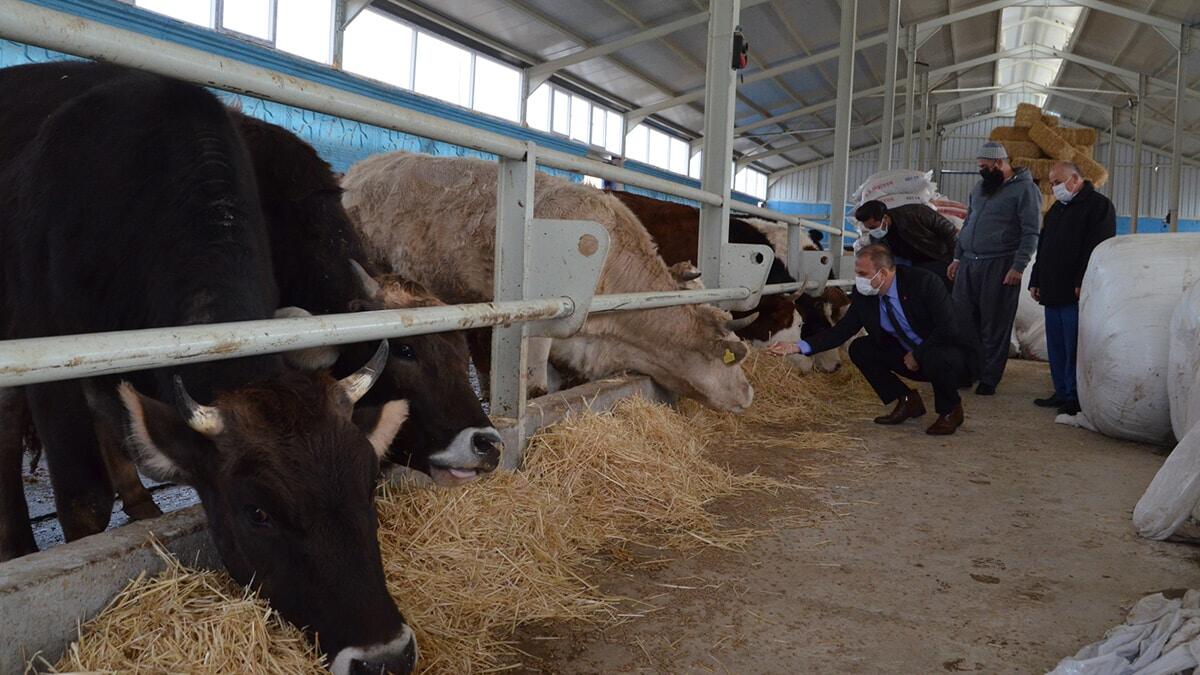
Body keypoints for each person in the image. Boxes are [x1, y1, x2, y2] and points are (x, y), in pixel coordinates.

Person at [768, 244, 978, 435]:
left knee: (935, 355)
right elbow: (842, 331)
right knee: (861, 348)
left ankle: (950, 410)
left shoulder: (924, 283)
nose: (858, 279)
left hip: (946, 356)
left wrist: (918, 354)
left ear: (883, 273)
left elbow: (948, 329)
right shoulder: (866, 295)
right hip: (906, 356)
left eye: (862, 273)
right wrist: (798, 346)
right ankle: (907, 400)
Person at [949, 141, 1040, 396]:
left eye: (984, 166)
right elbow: (968, 222)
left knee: (994, 323)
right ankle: (969, 371)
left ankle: (990, 377)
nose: (981, 171)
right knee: (964, 321)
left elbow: (1031, 231)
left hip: (999, 263)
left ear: (999, 163)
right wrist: (957, 257)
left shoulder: (1025, 190)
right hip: (969, 262)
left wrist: (1018, 266)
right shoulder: (981, 188)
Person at [1028, 161, 1115, 415]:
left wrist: (1082, 281)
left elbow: (1097, 248)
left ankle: (1076, 396)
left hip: (1076, 291)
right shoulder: (1056, 210)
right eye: (1052, 184)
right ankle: (1062, 391)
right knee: (1057, 345)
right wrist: (1036, 279)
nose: (1054, 188)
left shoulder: (1099, 207)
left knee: (1074, 345)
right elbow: (1043, 247)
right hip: (1053, 288)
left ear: (1075, 180)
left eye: (1057, 183)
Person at [853, 199, 958, 290]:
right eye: (868, 228)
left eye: (873, 227)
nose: (873, 231)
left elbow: (950, 232)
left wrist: (955, 260)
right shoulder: (877, 237)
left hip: (937, 257)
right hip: (910, 265)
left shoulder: (915, 213)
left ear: (885, 218)